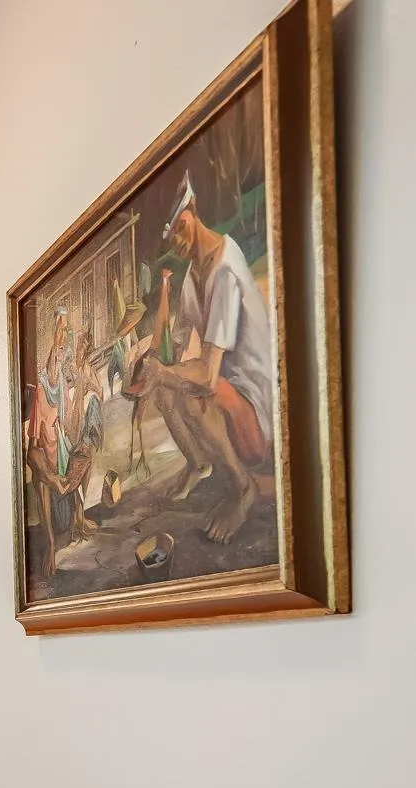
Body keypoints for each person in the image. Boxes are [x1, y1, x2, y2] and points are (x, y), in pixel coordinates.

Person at [127, 171, 276, 543]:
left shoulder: (224, 270)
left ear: (192, 211)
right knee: (166, 390)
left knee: (195, 395)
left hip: (257, 415)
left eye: (180, 226)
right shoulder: (195, 275)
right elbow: (187, 350)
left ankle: (243, 488)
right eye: (170, 233)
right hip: (233, 397)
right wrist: (152, 365)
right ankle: (199, 464)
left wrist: (165, 371)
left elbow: (207, 378)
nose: (176, 240)